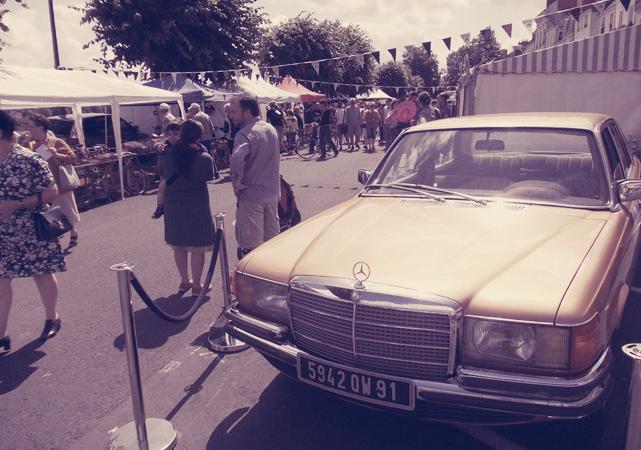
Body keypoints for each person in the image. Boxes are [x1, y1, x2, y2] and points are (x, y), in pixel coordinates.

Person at [0, 111, 66, 353]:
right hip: (2, 234)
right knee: (1, 282)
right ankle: (1, 336)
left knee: (42, 274)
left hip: (31, 229)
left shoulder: (30, 159)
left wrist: (16, 204)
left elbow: (51, 192)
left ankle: (52, 317)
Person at [158, 120, 216, 296]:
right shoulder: (204, 157)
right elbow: (208, 176)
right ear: (199, 136)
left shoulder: (166, 154)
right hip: (197, 203)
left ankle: (184, 281)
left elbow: (162, 175)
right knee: (197, 247)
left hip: (173, 203)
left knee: (179, 245)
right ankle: (197, 285)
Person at [228, 96, 280, 259]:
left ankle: (256, 283)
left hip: (251, 196)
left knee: (252, 247)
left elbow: (236, 159)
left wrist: (236, 183)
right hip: (271, 194)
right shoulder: (271, 129)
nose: (231, 116)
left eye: (234, 112)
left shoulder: (244, 134)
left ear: (247, 112)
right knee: (272, 243)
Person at [27, 114, 80, 248]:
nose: (29, 129)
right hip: (43, 187)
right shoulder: (31, 145)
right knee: (52, 213)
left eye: (31, 126)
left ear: (41, 127)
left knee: (68, 210)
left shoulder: (56, 142)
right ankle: (58, 233)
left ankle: (74, 232)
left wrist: (56, 154)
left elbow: (73, 158)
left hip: (60, 183)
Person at [152, 122, 181, 219]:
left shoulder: (183, 145)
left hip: (176, 174)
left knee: (162, 186)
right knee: (162, 187)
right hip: (164, 172)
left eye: (176, 134)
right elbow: (157, 144)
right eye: (170, 134)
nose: (172, 137)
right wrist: (158, 146)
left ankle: (160, 206)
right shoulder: (165, 144)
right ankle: (160, 206)